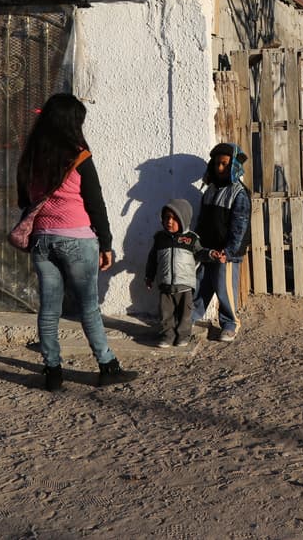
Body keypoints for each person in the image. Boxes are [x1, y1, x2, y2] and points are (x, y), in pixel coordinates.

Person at [16, 93, 137, 391]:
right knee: (88, 307)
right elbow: (95, 203)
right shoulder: (79, 155)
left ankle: (52, 371)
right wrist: (106, 243)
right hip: (77, 239)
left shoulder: (31, 157)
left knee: (48, 309)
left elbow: (24, 200)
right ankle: (107, 365)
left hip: (42, 239)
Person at [192, 142, 251, 342]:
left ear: (234, 166)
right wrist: (198, 246)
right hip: (208, 250)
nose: (220, 168)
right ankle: (190, 317)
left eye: (225, 164)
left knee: (224, 288)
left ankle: (230, 323)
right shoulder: (210, 190)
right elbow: (201, 221)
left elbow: (240, 226)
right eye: (217, 163)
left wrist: (230, 251)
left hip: (226, 253)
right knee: (201, 284)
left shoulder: (239, 193)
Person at [144, 199, 202, 347]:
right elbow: (152, 259)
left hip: (185, 285)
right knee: (165, 313)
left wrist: (213, 255)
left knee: (185, 314)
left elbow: (201, 254)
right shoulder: (159, 238)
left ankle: (183, 336)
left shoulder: (191, 239)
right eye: (166, 217)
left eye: (175, 218)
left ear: (184, 219)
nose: (169, 221)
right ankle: (167, 336)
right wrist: (149, 276)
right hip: (165, 284)